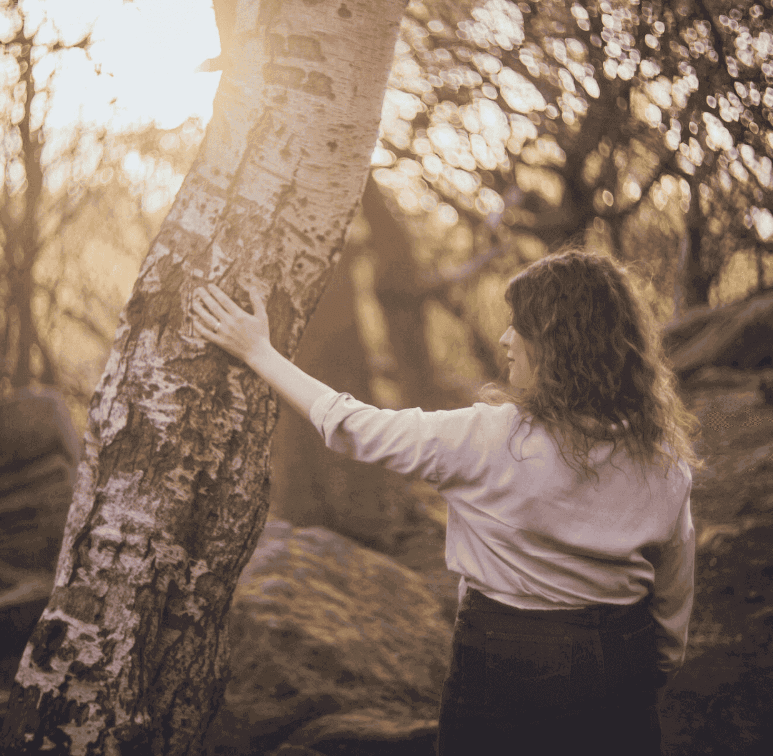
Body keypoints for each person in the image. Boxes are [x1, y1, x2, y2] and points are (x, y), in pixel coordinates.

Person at [192, 248, 700, 756]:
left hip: (504, 668)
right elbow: (672, 610)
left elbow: (350, 425)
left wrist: (258, 351)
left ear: (557, 345)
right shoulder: (664, 462)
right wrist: (630, 682)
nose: (505, 338)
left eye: (519, 326)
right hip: (619, 669)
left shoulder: (487, 439)